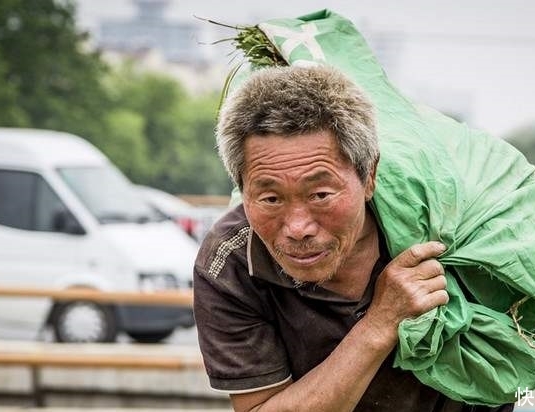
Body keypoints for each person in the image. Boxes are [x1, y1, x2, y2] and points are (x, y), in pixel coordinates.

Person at [193, 64, 514, 412]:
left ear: (369, 176)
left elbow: (528, 327)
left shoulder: (453, 229)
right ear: (242, 189)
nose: (298, 228)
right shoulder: (230, 265)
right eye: (270, 199)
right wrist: (381, 321)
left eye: (320, 195)